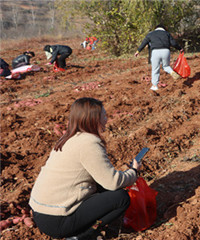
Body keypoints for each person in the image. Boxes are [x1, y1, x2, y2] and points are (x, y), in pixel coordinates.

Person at [29, 98, 140, 240]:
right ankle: (82, 236)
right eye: (104, 116)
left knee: (103, 187)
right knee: (121, 198)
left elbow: (102, 179)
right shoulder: (89, 143)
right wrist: (134, 172)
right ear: (93, 120)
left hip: (40, 212)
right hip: (57, 220)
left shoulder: (69, 138)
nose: (107, 119)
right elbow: (112, 182)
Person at [135, 24, 182, 91]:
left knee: (155, 69)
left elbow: (144, 42)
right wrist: (180, 48)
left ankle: (155, 86)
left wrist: (138, 51)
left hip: (155, 52)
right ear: (164, 28)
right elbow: (173, 43)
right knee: (166, 66)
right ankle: (172, 72)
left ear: (156, 28)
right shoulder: (167, 33)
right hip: (166, 51)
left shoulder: (151, 34)